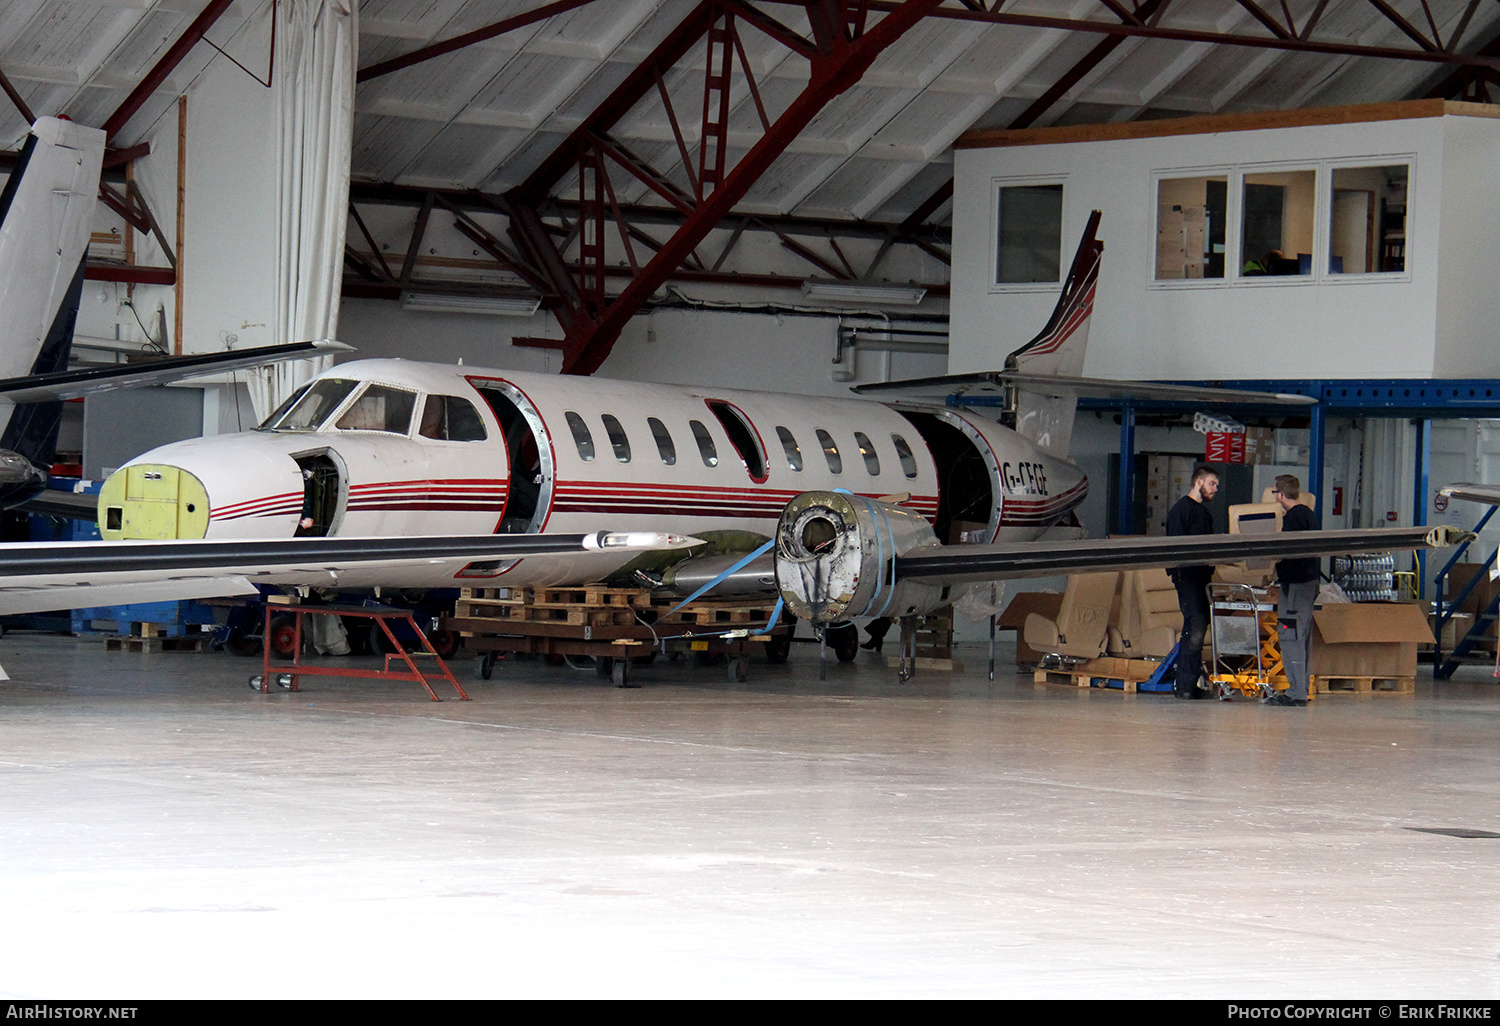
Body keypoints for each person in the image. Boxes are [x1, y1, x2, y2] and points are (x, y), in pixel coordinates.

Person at [1166, 465, 1219, 700]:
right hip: (1187, 577)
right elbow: (1176, 548)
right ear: (1198, 482)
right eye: (1212, 484)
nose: (1215, 489)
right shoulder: (1181, 510)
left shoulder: (1205, 514)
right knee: (1195, 623)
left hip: (1202, 578)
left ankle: (1189, 683)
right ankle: (1185, 685)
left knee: (1199, 625)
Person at [1268, 475, 1319, 707]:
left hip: (1297, 585)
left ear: (1280, 494)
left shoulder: (1294, 518)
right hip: (1306, 584)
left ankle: (1297, 691)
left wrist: (1272, 572)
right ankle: (1300, 688)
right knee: (1301, 635)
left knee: (1291, 635)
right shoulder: (1308, 514)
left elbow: (1290, 554)